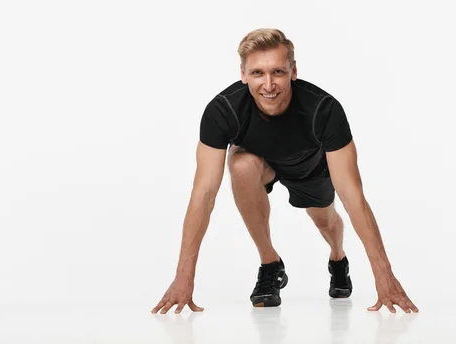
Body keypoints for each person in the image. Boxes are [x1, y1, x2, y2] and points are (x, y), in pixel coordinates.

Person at [151, 28, 418, 314]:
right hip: (261, 164)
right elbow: (203, 193)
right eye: (257, 73)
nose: (268, 84)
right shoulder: (223, 110)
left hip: (308, 167)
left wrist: (384, 275)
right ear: (242, 74)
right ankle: (270, 264)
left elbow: (352, 196)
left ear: (293, 71)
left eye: (277, 72)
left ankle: (338, 257)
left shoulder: (324, 110)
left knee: (325, 220)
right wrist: (183, 278)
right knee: (240, 165)